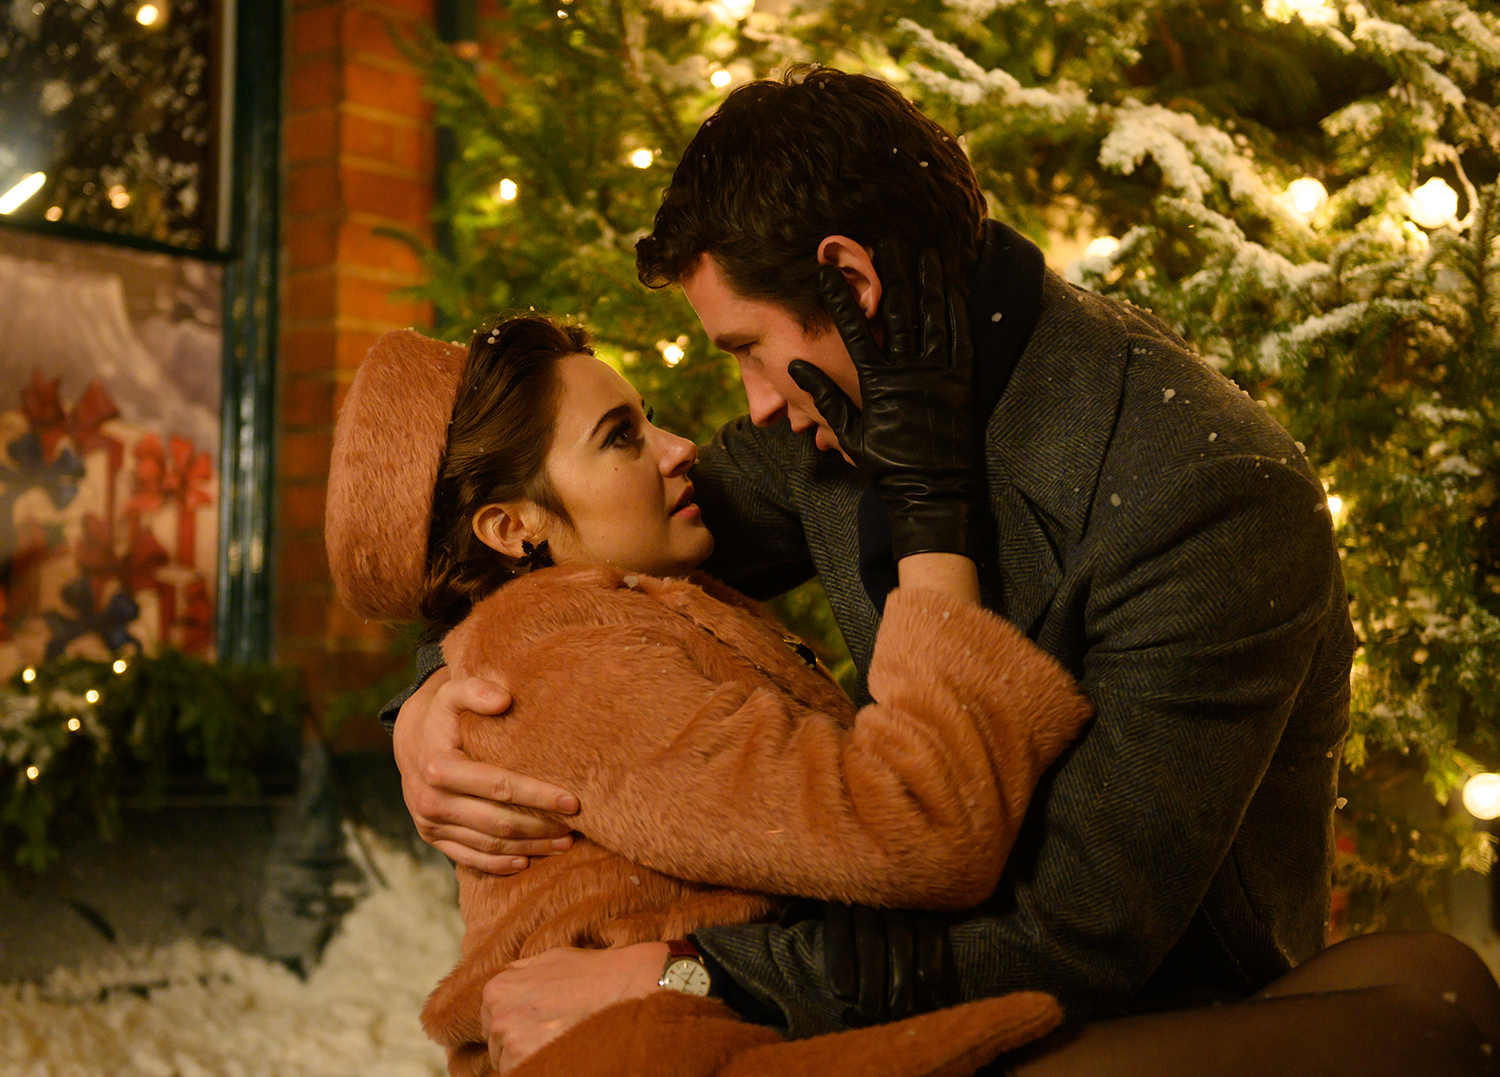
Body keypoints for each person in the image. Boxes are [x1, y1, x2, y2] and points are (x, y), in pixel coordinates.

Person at [383, 66, 1500, 1073]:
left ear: (853, 284)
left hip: (1122, 1001)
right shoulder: (840, 401)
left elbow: (1077, 934)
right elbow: (586, 537)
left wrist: (695, 977)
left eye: (748, 350)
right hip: (889, 953)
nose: (752, 406)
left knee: (1438, 1000)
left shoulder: (1199, 492)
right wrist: (439, 696)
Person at [325, 306, 1093, 1077]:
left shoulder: (600, 607)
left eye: (648, 418)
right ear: (510, 527)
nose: (680, 447)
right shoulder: (568, 659)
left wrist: (428, 692)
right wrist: (935, 541)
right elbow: (923, 824)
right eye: (620, 437)